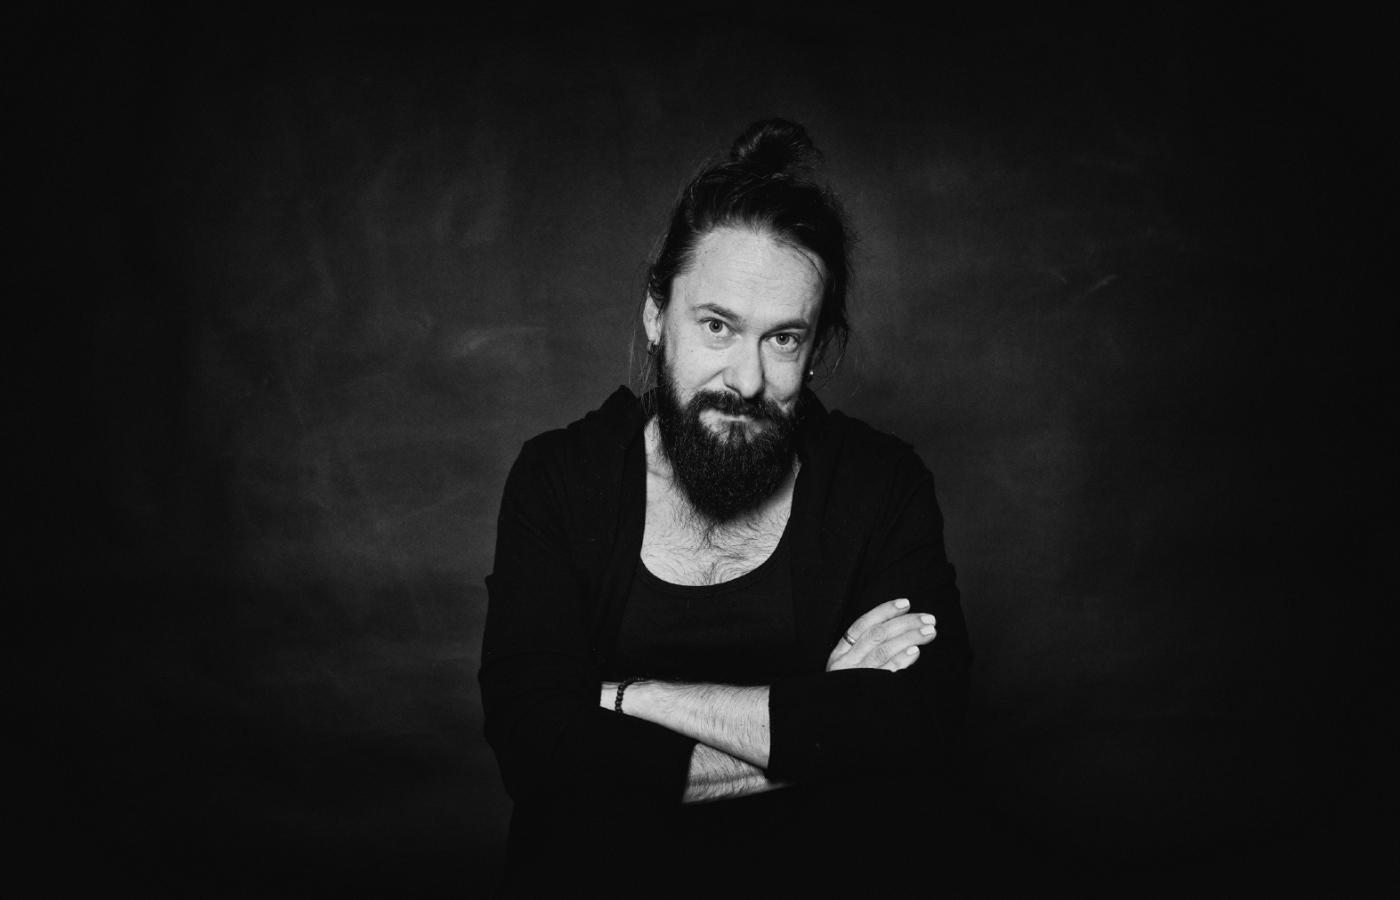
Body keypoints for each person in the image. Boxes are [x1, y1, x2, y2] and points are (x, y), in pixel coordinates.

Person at [479, 119, 971, 896]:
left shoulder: (880, 486)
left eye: (783, 340)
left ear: (817, 349)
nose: (745, 379)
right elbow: (538, 749)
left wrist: (626, 699)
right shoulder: (559, 480)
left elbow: (917, 723)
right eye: (717, 326)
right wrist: (822, 722)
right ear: (656, 315)